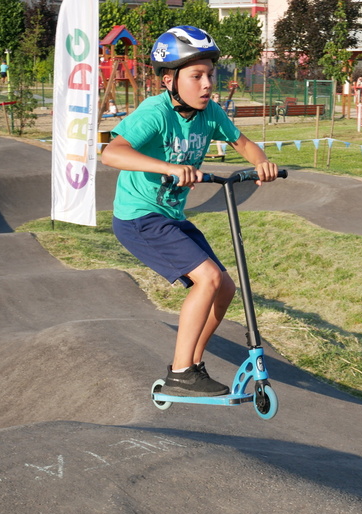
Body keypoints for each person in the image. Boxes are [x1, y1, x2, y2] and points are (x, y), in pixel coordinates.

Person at [101, 26, 278, 396]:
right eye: (196, 76)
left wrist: (262, 162)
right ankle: (181, 368)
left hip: (171, 217)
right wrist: (168, 167)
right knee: (208, 279)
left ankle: (191, 366)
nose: (207, 84)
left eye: (210, 75)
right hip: (139, 217)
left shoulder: (210, 113)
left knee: (225, 288)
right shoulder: (155, 111)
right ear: (170, 79)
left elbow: (242, 142)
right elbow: (111, 153)